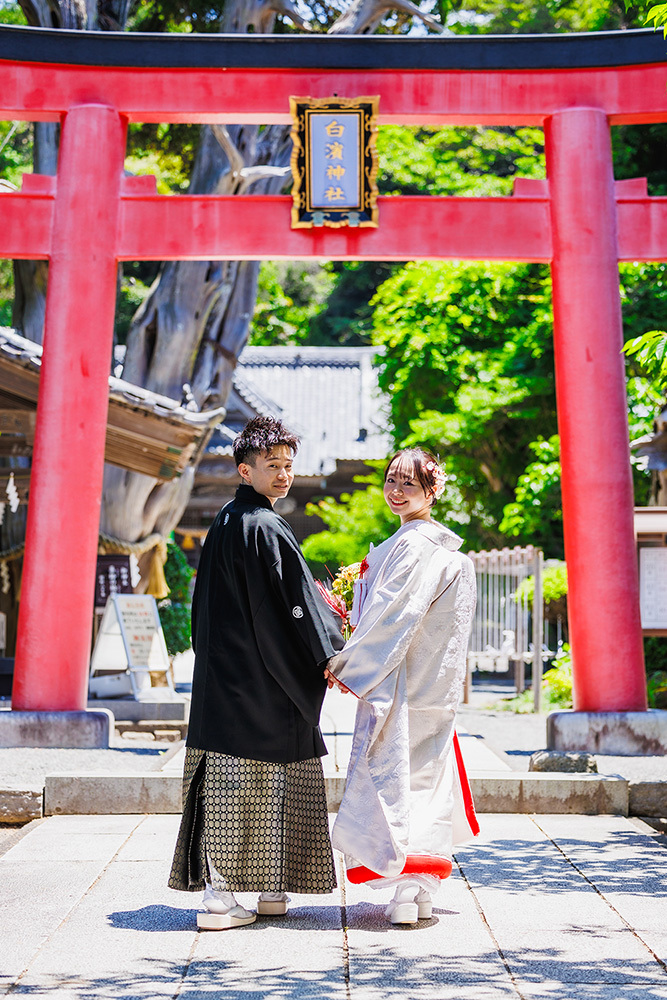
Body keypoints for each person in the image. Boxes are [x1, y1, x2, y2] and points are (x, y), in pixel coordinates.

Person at [169, 416, 345, 929]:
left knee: (232, 785)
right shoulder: (264, 526)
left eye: (289, 465)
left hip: (225, 679)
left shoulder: (226, 520)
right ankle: (222, 899)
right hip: (264, 681)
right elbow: (296, 603)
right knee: (265, 783)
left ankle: (267, 891)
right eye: (273, 466)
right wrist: (329, 655)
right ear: (245, 470)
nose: (284, 474)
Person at [325, 447, 478, 925]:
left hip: (400, 685)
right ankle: (421, 892)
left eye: (408, 484)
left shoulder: (413, 547)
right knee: (425, 782)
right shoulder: (446, 552)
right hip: (433, 687)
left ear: (432, 492)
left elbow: (393, 617)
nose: (395, 491)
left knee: (393, 781)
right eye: (391, 481)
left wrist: (349, 663)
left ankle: (403, 895)